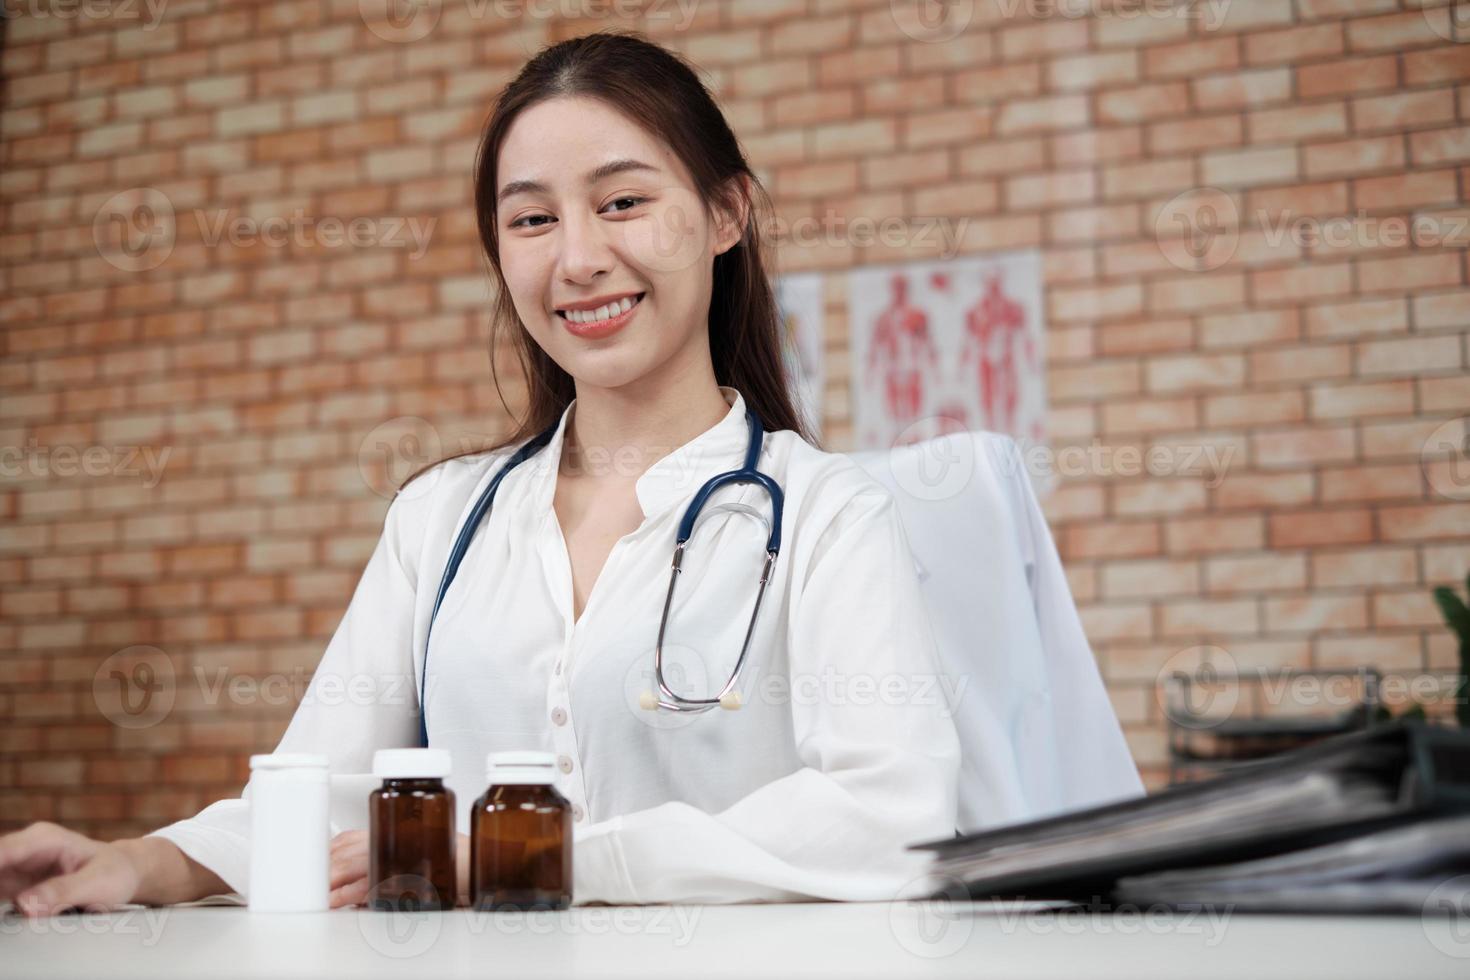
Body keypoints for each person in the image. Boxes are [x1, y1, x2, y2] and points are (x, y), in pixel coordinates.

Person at [0, 30, 960, 914]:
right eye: (532, 220)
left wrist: (534, 857)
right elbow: (312, 797)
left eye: (623, 202)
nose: (579, 258)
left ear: (724, 214)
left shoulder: (830, 516)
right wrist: (137, 864)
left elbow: (895, 821)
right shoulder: (441, 520)